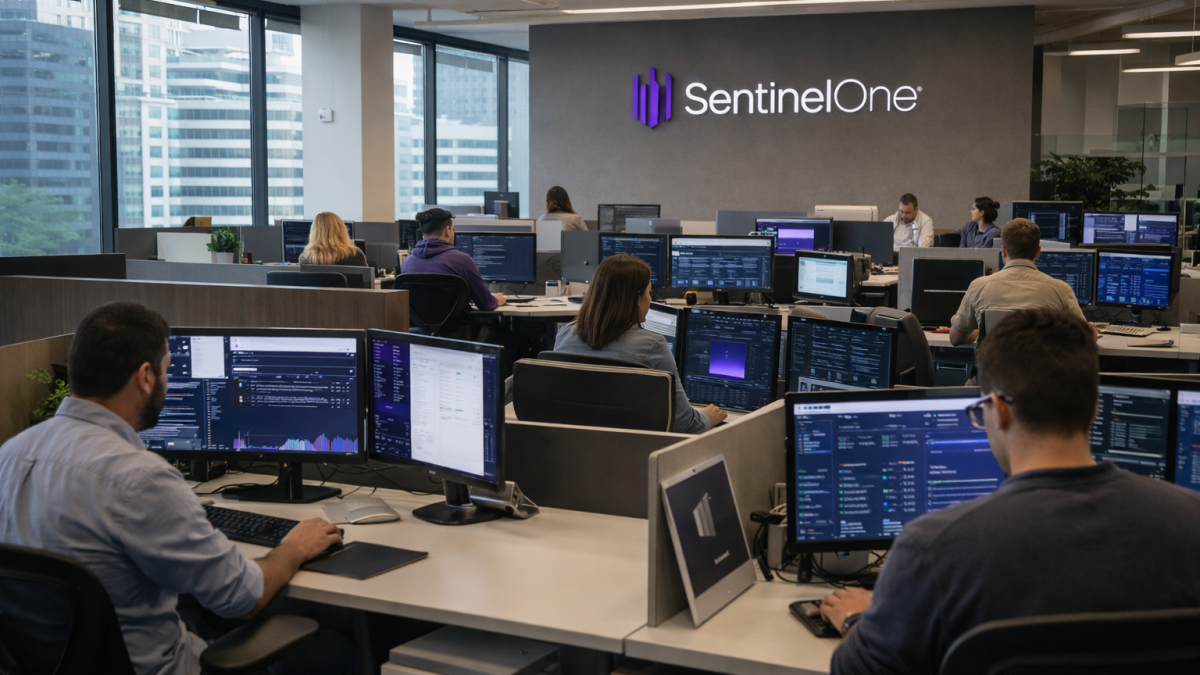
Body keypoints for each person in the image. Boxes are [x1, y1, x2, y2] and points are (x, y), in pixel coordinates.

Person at [822, 309, 1200, 675]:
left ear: (999, 410)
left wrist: (857, 619)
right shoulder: (1192, 520)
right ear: (1094, 410)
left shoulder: (932, 547)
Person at [0, 302, 352, 675]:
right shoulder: (140, 479)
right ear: (145, 377)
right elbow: (243, 599)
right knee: (338, 649)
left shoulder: (9, 455)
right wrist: (293, 548)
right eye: (168, 369)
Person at [553, 255, 725, 433]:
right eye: (649, 292)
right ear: (636, 298)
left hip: (571, 443)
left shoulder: (564, 335)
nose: (650, 299)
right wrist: (707, 417)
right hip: (632, 445)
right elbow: (684, 424)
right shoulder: (652, 346)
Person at [948, 218, 1090, 346]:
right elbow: (1085, 336)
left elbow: (955, 338)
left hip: (992, 367)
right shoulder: (1060, 289)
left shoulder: (979, 286)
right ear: (1038, 252)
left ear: (1003, 251)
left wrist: (979, 332)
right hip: (1041, 367)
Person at [400, 207, 506, 313]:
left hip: (419, 324)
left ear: (423, 235)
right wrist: (496, 300)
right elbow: (486, 304)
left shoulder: (407, 263)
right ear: (447, 230)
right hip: (459, 324)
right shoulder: (463, 261)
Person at [297, 212, 368, 266]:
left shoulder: (305, 259)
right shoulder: (355, 255)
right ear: (341, 230)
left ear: (314, 232)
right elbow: (367, 280)